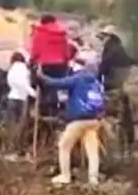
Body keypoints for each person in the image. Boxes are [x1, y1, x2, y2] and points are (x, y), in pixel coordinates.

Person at [37, 55, 106, 185]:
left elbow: (56, 83)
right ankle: (93, 178)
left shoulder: (78, 78)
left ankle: (65, 176)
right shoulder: (97, 83)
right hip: (94, 120)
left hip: (78, 120)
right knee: (92, 150)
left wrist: (41, 76)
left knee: (64, 146)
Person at [97, 25, 135, 158]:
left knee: (107, 112)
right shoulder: (121, 49)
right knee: (124, 116)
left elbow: (103, 66)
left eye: (103, 37)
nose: (102, 40)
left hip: (112, 85)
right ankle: (128, 143)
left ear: (109, 37)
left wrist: (96, 80)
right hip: (121, 86)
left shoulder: (110, 49)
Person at [30, 14, 72, 116]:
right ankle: (58, 109)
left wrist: (32, 60)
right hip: (61, 65)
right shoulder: (62, 34)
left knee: (45, 86)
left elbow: (35, 51)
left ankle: (45, 111)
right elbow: (67, 53)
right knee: (58, 86)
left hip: (46, 65)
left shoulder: (40, 33)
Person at [3, 49, 35, 152]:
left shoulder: (11, 69)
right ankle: (19, 147)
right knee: (21, 125)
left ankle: (11, 147)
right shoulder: (22, 69)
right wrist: (33, 93)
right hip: (21, 99)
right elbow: (23, 84)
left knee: (12, 125)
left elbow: (12, 83)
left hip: (11, 98)